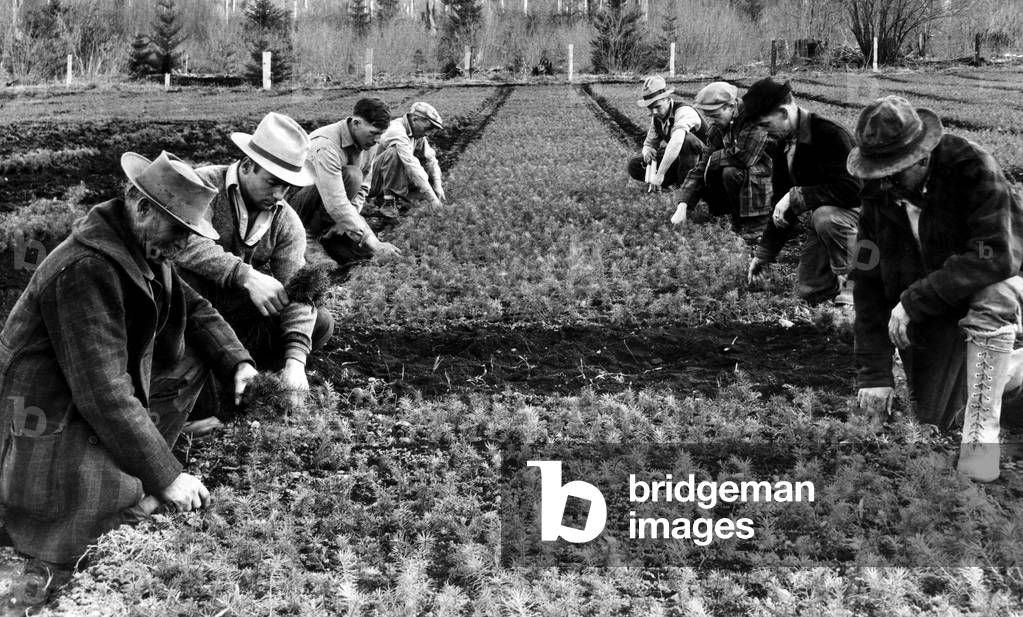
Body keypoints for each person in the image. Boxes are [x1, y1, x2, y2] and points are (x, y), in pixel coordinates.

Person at [0, 151, 257, 607]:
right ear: (142, 208)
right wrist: (167, 475)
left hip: (89, 387)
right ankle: (43, 567)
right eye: (179, 229)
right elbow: (103, 392)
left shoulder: (144, 243)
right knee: (94, 519)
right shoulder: (87, 268)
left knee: (195, 353)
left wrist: (238, 362)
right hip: (44, 408)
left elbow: (195, 309)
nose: (183, 243)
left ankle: (140, 455)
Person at [848, 96, 1023, 482]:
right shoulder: (877, 195)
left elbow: (994, 253)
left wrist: (912, 301)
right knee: (935, 420)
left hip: (993, 286)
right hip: (932, 309)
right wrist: (874, 374)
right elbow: (866, 281)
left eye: (894, 172)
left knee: (994, 294)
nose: (885, 183)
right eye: (878, 173)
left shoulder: (971, 167)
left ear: (922, 158)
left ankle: (982, 445)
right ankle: (1013, 370)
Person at [175, 112, 335, 421]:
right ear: (247, 165)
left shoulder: (286, 222)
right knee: (183, 281)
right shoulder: (204, 185)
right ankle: (204, 373)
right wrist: (244, 274)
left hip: (235, 318)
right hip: (189, 313)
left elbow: (300, 291)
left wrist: (295, 362)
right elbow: (184, 244)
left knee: (320, 322)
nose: (279, 196)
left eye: (287, 188)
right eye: (273, 183)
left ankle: (239, 366)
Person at [743, 77, 862, 305]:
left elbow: (854, 190)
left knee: (824, 216)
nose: (766, 134)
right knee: (810, 291)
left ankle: (858, 286)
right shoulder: (783, 144)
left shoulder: (830, 135)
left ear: (784, 113)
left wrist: (797, 196)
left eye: (767, 125)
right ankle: (833, 292)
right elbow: (780, 202)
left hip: (867, 216)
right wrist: (764, 255)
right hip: (832, 220)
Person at [287, 97, 401, 267]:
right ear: (356, 123)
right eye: (374, 133)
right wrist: (374, 242)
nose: (378, 140)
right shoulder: (325, 145)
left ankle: (329, 232)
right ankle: (306, 237)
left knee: (362, 255)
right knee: (352, 175)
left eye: (381, 134)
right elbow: (336, 202)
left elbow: (363, 188)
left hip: (328, 209)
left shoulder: (369, 144)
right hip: (296, 207)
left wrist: (347, 219)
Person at [670, 82, 773, 234]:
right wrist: (683, 204)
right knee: (707, 172)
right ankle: (730, 216)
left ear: (730, 106)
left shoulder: (755, 118)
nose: (713, 121)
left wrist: (712, 159)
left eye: (716, 115)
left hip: (773, 179)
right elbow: (701, 167)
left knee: (731, 172)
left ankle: (756, 223)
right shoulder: (719, 128)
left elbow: (744, 157)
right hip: (752, 180)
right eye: (709, 117)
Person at [626, 75, 711, 192]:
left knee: (687, 141)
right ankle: (670, 185)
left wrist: (660, 173)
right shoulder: (657, 118)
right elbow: (649, 144)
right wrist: (647, 152)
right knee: (635, 165)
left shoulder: (684, 111)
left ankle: (687, 188)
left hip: (705, 161)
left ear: (667, 99)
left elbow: (677, 141)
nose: (654, 112)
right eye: (650, 108)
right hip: (682, 159)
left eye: (657, 107)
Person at [368, 101, 446, 218]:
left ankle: (401, 199)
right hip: (370, 179)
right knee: (395, 153)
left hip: (386, 178)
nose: (428, 133)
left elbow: (431, 160)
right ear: (415, 119)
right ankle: (389, 202)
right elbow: (411, 165)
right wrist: (432, 199)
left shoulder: (416, 134)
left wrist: (437, 186)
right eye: (428, 127)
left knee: (426, 168)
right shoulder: (397, 131)